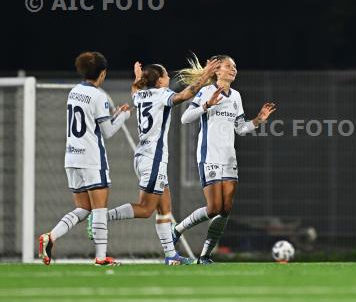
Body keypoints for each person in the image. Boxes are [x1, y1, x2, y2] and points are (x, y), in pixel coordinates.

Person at [97, 58, 220, 265]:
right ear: (160, 80)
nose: (169, 78)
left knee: (165, 209)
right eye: (166, 75)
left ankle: (171, 256)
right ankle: (101, 218)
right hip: (153, 158)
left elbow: (135, 91)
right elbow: (185, 95)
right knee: (146, 210)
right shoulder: (162, 95)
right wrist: (206, 75)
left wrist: (137, 79)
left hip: (144, 156)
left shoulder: (140, 95)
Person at [173, 54, 276, 264]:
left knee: (226, 208)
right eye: (229, 66)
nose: (234, 69)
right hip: (209, 155)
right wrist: (206, 105)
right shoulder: (205, 91)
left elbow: (241, 128)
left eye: (235, 66)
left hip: (229, 158)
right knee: (213, 209)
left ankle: (205, 256)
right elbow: (185, 119)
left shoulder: (236, 96)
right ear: (217, 71)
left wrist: (258, 120)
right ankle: (177, 230)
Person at [39, 51, 131, 266]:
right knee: (99, 208)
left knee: (83, 209)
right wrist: (124, 116)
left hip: (72, 156)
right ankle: (100, 257)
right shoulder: (99, 96)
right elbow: (107, 132)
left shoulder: (74, 91)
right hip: (91, 158)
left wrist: (113, 115)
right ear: (103, 73)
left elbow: (91, 121)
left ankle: (51, 237)